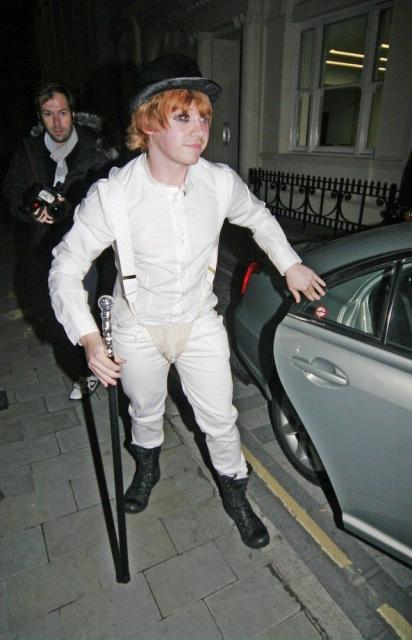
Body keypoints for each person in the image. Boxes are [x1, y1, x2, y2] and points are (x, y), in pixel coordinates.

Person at [48, 55, 325, 549]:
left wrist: (289, 263)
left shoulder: (218, 183)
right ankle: (147, 468)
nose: (199, 130)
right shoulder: (114, 196)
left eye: (203, 118)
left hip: (198, 322)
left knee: (220, 418)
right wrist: (88, 337)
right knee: (144, 410)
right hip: (137, 328)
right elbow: (66, 265)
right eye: (183, 117)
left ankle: (236, 495)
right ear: (148, 124)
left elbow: (258, 216)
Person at [3, 83, 111, 400]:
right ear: (40, 117)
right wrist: (30, 209)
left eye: (63, 113)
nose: (57, 122)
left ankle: (95, 367)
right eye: (48, 114)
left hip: (88, 249)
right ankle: (81, 369)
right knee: (59, 314)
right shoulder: (28, 152)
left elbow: (109, 193)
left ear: (73, 113)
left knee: (88, 308)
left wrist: (73, 207)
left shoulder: (96, 150)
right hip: (46, 248)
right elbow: (12, 190)